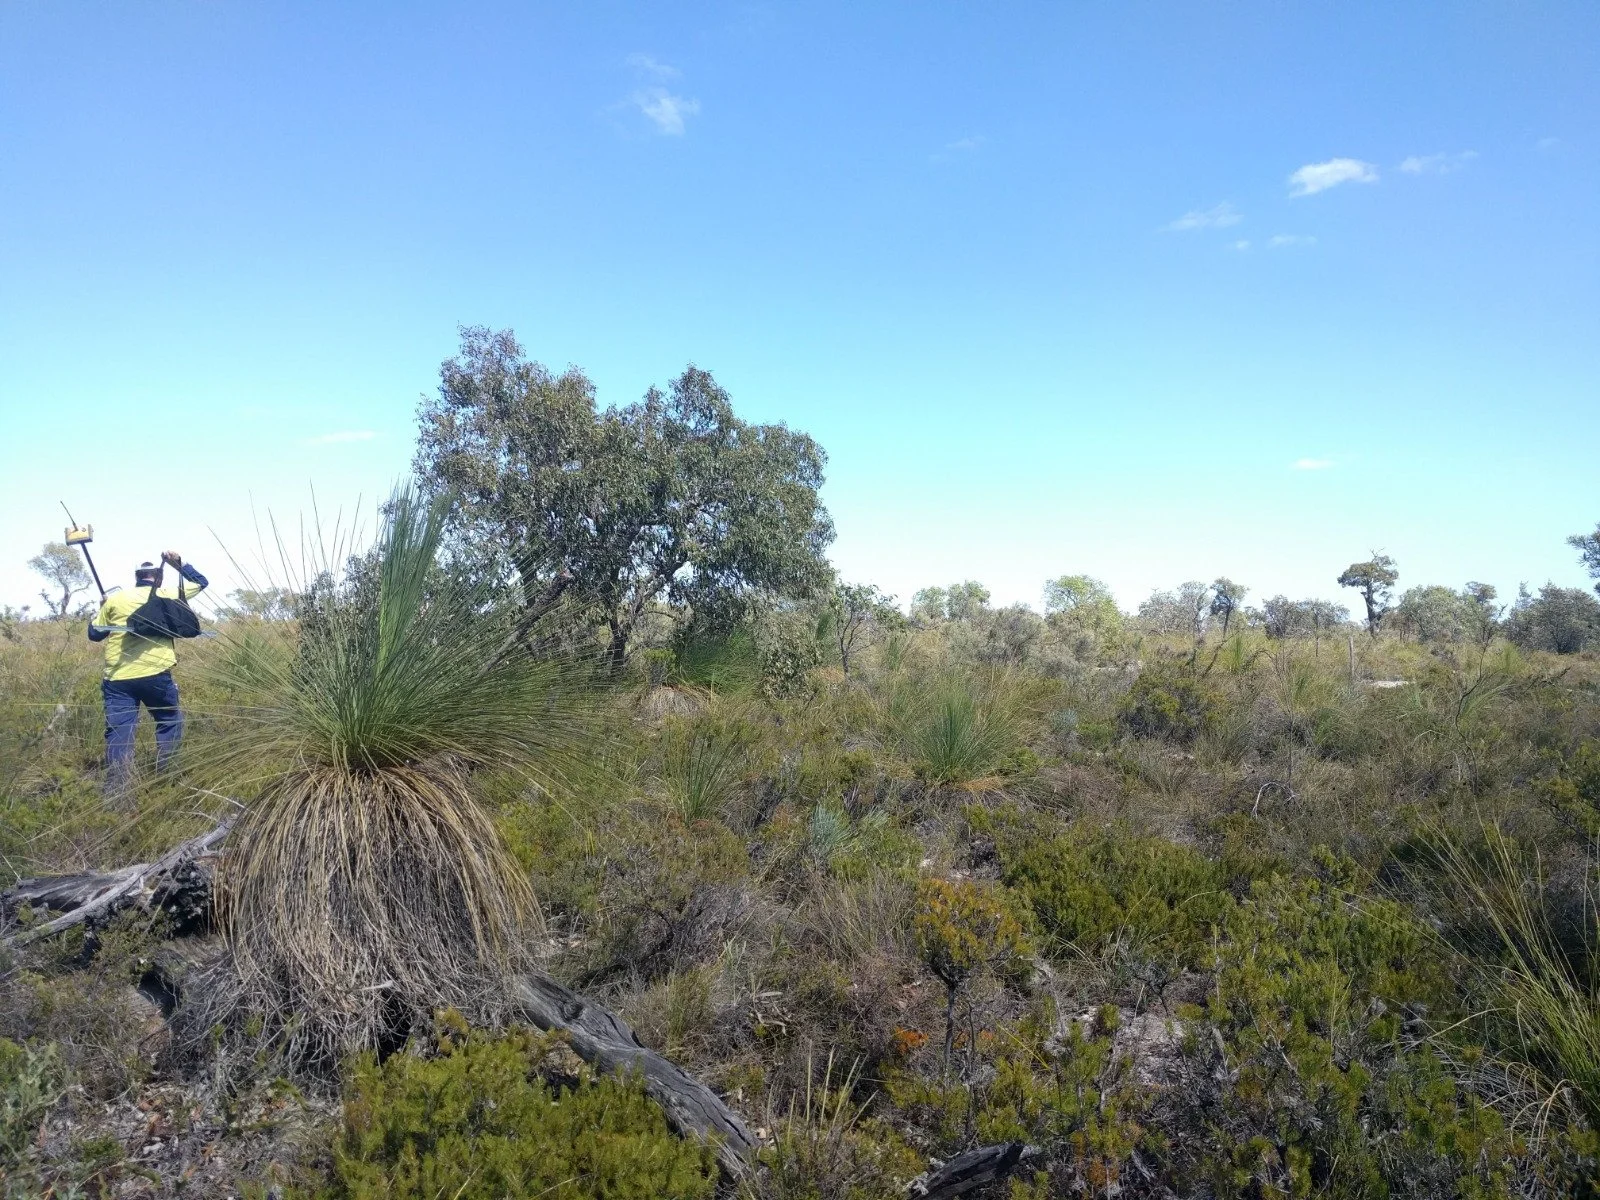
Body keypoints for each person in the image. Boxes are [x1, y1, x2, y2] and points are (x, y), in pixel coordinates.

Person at [89, 550, 208, 794]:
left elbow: (94, 634)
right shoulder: (169, 594)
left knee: (119, 731)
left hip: (118, 677)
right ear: (158, 576)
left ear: (137, 576)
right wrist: (179, 563)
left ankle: (117, 788)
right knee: (168, 720)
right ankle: (167, 777)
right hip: (156, 673)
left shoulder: (117, 599)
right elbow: (201, 582)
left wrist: (103, 607)